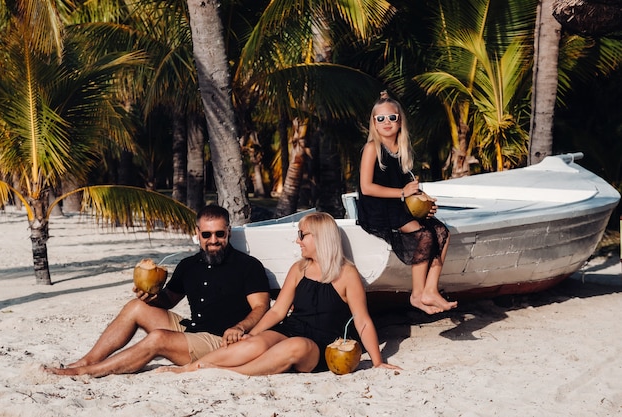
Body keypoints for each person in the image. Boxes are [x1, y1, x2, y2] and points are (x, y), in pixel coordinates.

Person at [157, 212, 401, 375]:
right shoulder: (299, 268)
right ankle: (196, 366)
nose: (298, 241)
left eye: (302, 235)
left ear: (320, 238)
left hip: (320, 344)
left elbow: (362, 320)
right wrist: (251, 333)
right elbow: (277, 311)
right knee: (257, 343)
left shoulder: (347, 274)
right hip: (290, 329)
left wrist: (378, 361)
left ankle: (225, 371)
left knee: (295, 346)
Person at [45, 205, 271, 378]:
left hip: (220, 341)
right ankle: (87, 361)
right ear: (197, 232)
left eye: (219, 234)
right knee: (136, 307)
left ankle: (87, 373)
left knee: (158, 338)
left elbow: (261, 306)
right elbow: (168, 300)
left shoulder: (247, 266)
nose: (214, 241)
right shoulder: (189, 265)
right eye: (207, 235)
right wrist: (151, 298)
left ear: (229, 232)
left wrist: (240, 327)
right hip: (193, 329)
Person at [357, 91, 457, 314]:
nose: (386, 122)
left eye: (392, 117)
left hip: (397, 206)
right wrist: (402, 193)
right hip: (377, 210)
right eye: (380, 118)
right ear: (373, 123)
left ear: (400, 121)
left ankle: (430, 289)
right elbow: (366, 187)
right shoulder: (372, 148)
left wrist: (424, 205)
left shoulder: (402, 150)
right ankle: (417, 294)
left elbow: (408, 189)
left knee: (442, 232)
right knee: (423, 235)